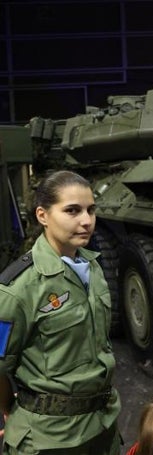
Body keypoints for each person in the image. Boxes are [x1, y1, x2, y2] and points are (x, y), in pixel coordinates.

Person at [0, 170, 121, 454]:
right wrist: (8, 411)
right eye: (72, 211)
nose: (86, 221)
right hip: (49, 438)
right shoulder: (18, 288)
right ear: (42, 215)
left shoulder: (92, 268)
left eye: (91, 210)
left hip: (103, 424)